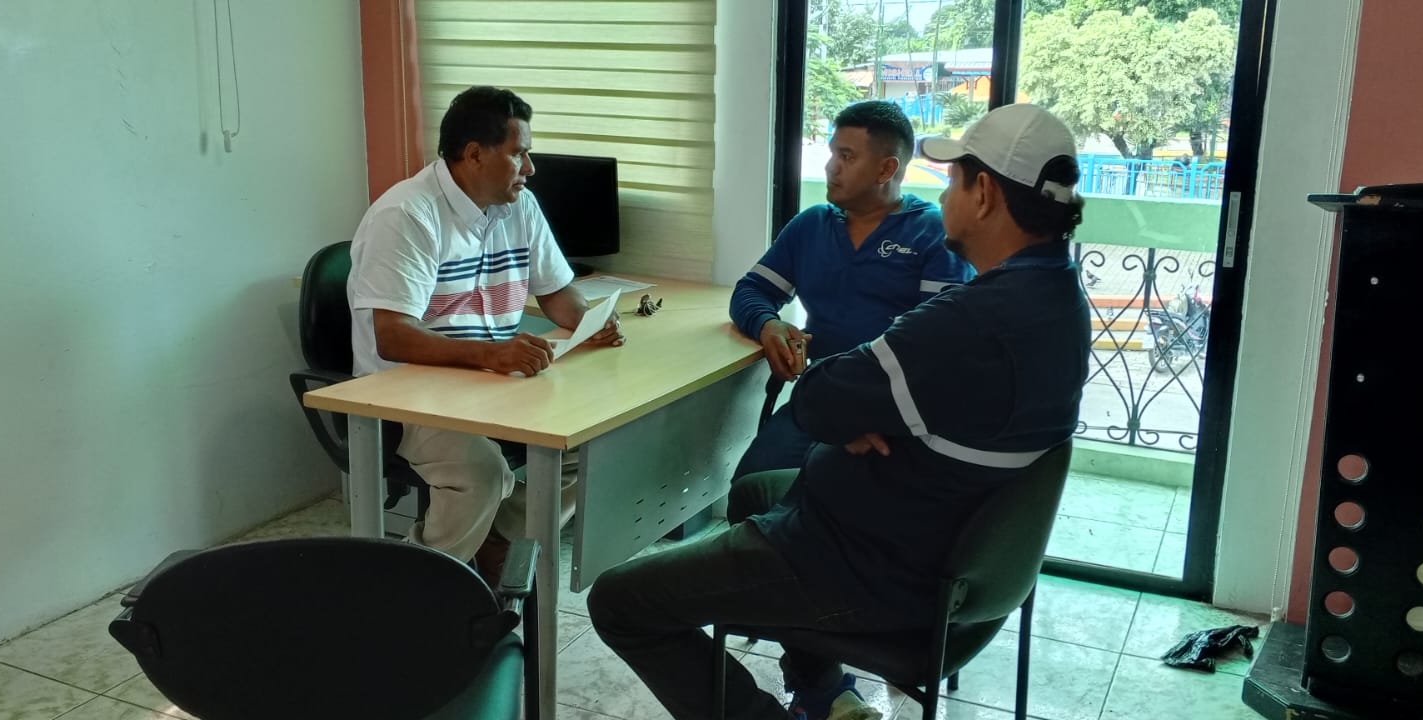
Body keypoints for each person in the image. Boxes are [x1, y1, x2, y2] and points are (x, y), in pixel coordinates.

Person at [588, 104, 1091, 720]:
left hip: (863, 562)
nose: (944, 194)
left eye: (954, 179)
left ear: (983, 193)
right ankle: (821, 687)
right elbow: (833, 387)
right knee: (755, 490)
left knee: (619, 602)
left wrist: (853, 407)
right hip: (918, 531)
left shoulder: (973, 320)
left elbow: (820, 395)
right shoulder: (1057, 294)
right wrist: (858, 408)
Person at [347, 86, 624, 583]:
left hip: (489, 381)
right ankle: (420, 588)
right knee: (482, 472)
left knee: (597, 439)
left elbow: (558, 294)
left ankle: (501, 539)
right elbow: (393, 337)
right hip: (407, 393)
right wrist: (490, 355)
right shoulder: (406, 215)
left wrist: (590, 321)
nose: (530, 168)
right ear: (474, 154)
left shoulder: (519, 206)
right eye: (519, 153)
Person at [727, 101, 970, 489]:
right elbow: (751, 290)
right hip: (820, 400)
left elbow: (940, 346)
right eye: (832, 154)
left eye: (847, 156)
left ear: (886, 169)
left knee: (834, 502)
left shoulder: (932, 233)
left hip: (894, 417)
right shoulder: (812, 225)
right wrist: (768, 325)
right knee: (751, 486)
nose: (830, 167)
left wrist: (872, 412)